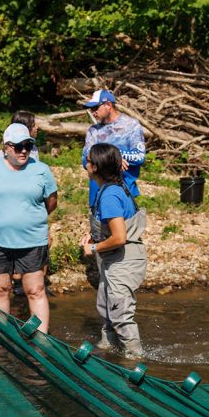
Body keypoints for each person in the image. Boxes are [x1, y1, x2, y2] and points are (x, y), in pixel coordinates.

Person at [0, 122, 57, 332]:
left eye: (28, 146)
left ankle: (41, 339)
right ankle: (2, 337)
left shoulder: (41, 170)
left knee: (35, 290)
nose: (24, 151)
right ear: (5, 146)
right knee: (0, 288)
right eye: (18, 146)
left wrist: (30, 219)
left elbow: (52, 201)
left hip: (32, 240)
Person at [78, 143, 148, 359]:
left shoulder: (109, 195)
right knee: (107, 308)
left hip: (123, 260)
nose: (85, 164)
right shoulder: (112, 187)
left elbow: (119, 237)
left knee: (120, 314)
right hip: (116, 259)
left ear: (97, 167)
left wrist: (93, 247)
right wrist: (95, 234)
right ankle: (108, 349)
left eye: (88, 161)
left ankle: (135, 359)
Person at [81, 89, 145, 206]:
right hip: (97, 194)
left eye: (95, 108)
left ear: (108, 105)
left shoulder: (131, 126)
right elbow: (85, 160)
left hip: (124, 193)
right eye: (91, 109)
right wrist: (114, 160)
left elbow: (140, 157)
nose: (93, 112)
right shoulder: (93, 131)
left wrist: (117, 156)